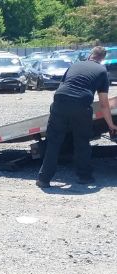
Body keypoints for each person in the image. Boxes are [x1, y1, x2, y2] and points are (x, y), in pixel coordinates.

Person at [37, 46, 117, 187]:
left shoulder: (75, 65)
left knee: (54, 142)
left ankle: (43, 179)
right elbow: (104, 104)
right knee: (81, 143)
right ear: (102, 59)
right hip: (80, 105)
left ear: (89, 55)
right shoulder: (101, 71)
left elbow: (63, 86)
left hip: (59, 102)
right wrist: (111, 125)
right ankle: (84, 177)